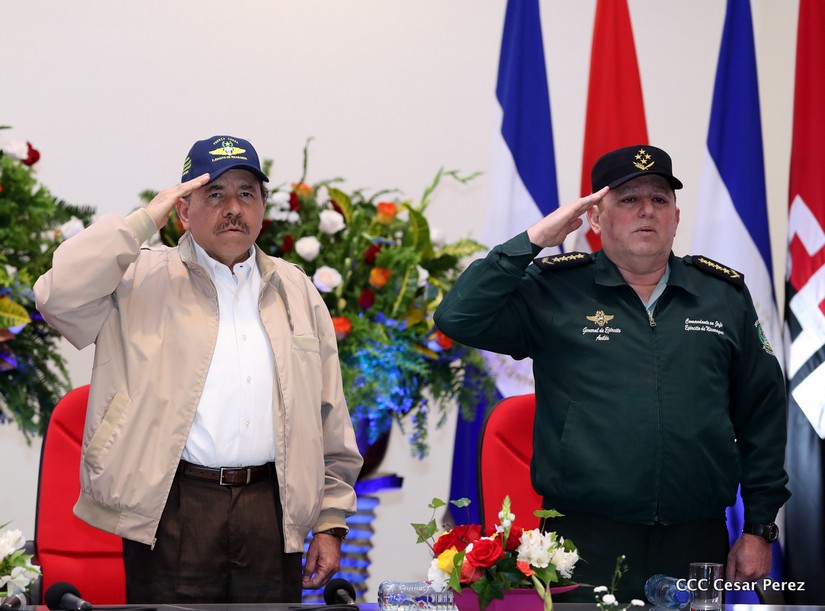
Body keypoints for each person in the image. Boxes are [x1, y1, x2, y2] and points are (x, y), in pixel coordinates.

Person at [434, 145, 789, 600]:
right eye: (628, 199)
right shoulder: (555, 290)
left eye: (659, 199)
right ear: (595, 219)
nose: (647, 210)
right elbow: (457, 317)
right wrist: (533, 241)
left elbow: (762, 413)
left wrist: (759, 527)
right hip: (583, 544)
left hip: (696, 539)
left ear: (676, 217)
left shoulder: (721, 295)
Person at [34, 135, 363, 604]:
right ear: (184, 211)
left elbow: (329, 414)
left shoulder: (295, 289)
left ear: (263, 208)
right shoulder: (137, 279)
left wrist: (330, 522)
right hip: (172, 507)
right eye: (216, 194)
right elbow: (55, 296)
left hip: (271, 510)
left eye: (246, 194)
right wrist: (143, 221)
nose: (234, 208)